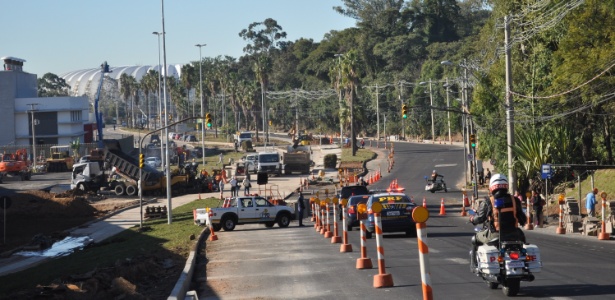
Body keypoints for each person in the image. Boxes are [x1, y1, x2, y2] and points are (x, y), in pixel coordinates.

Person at [469, 174, 527, 272]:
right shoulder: (515, 200)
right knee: (522, 241)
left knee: (475, 238)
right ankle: (524, 261)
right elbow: (523, 219)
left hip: (495, 235)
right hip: (514, 234)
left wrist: (472, 219)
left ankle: (474, 265)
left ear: (492, 186)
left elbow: (479, 218)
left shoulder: (488, 201)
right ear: (506, 185)